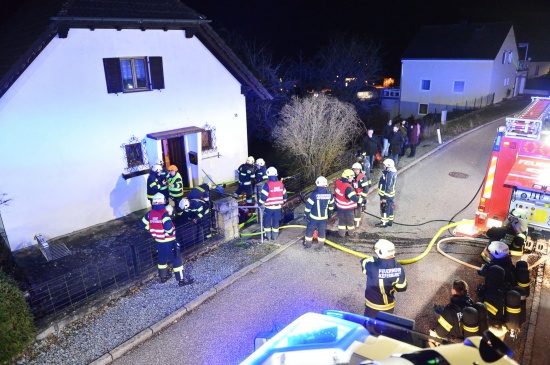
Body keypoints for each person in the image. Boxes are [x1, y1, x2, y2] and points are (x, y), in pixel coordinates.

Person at [140, 193, 194, 286]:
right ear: (163, 201)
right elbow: (168, 227)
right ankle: (181, 280)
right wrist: (169, 232)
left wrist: (152, 228)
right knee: (176, 260)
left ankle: (163, 277)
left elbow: (142, 224)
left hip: (158, 241)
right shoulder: (164, 213)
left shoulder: (150, 213)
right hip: (169, 241)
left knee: (162, 259)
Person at [360, 239, 407, 318]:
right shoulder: (399, 268)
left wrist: (374, 259)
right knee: (385, 325)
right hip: (388, 306)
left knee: (369, 324)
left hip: (372, 305)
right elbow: (402, 287)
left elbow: (363, 262)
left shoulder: (371, 266)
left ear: (380, 252)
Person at [303, 176, 335, 249]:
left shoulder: (314, 194)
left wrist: (306, 214)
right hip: (324, 218)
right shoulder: (329, 194)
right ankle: (320, 245)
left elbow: (308, 205)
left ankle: (308, 244)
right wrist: (330, 214)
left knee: (310, 230)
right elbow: (331, 206)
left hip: (313, 217)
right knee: (322, 231)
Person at [258, 167, 287, 240]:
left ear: (268, 175)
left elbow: (263, 198)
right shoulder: (281, 184)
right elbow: (285, 195)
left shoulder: (267, 185)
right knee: (276, 221)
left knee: (267, 221)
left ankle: (268, 236)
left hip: (269, 208)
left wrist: (258, 204)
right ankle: (275, 236)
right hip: (278, 208)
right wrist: (283, 202)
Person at [334, 169, 364, 238]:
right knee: (350, 222)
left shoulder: (338, 182)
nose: (352, 178)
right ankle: (351, 234)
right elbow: (354, 198)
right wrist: (363, 201)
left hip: (339, 207)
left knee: (341, 222)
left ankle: (342, 234)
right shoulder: (348, 188)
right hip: (347, 208)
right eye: (351, 177)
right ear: (347, 177)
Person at [376, 159, 397, 228]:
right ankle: (390, 221)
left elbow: (387, 186)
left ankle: (384, 223)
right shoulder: (391, 172)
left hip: (385, 195)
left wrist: (384, 197)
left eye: (385, 165)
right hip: (390, 194)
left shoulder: (389, 174)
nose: (384, 166)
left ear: (388, 166)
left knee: (384, 208)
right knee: (390, 208)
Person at [351, 162, 370, 228]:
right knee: (354, 209)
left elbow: (366, 189)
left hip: (360, 196)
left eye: (358, 169)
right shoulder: (351, 177)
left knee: (359, 208)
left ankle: (357, 222)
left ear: (360, 170)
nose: (356, 171)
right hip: (354, 196)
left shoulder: (363, 178)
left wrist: (363, 197)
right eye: (355, 169)